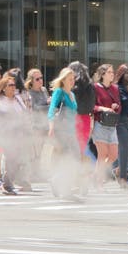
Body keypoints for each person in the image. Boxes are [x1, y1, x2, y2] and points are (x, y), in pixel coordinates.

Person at [0, 75, 28, 195]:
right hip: (5, 134)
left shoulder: (18, 100)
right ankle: (5, 184)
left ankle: (7, 183)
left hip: (18, 134)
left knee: (16, 160)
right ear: (3, 88)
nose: (13, 87)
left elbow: (24, 115)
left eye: (14, 85)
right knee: (9, 159)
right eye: (10, 85)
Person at [47, 67, 80, 197]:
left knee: (75, 159)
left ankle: (57, 181)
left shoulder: (72, 95)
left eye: (73, 79)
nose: (72, 82)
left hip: (71, 132)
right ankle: (62, 185)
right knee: (68, 158)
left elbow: (74, 114)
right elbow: (52, 110)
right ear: (63, 80)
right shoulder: (59, 92)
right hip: (62, 131)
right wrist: (51, 127)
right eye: (70, 79)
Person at [92, 64, 121, 189]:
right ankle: (98, 181)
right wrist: (103, 108)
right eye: (109, 72)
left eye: (112, 72)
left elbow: (119, 105)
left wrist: (116, 107)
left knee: (113, 155)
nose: (112, 74)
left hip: (112, 124)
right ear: (102, 74)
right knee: (102, 154)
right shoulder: (95, 88)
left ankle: (96, 175)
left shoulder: (115, 88)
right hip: (100, 123)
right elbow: (91, 106)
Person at [70, 61, 95, 157]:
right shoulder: (90, 85)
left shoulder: (72, 85)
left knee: (73, 149)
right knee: (81, 148)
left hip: (74, 118)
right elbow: (92, 104)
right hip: (86, 119)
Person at [25, 68, 50, 165]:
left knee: (44, 151)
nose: (40, 80)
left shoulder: (44, 90)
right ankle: (35, 173)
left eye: (41, 78)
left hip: (45, 125)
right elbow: (35, 109)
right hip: (36, 126)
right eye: (37, 79)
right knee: (36, 151)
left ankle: (40, 172)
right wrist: (48, 104)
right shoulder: (29, 93)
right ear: (31, 81)